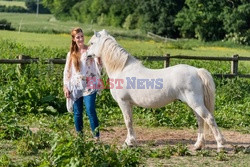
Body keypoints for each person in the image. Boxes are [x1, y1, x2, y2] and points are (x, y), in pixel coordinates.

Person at [63, 27, 102, 139]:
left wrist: (99, 61)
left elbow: (98, 67)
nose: (80, 39)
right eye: (78, 37)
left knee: (90, 110)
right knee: (78, 112)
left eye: (82, 36)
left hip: (90, 83)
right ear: (74, 39)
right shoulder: (71, 54)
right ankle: (80, 137)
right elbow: (67, 72)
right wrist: (66, 87)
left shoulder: (91, 50)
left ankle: (96, 137)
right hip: (76, 85)